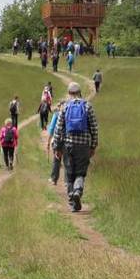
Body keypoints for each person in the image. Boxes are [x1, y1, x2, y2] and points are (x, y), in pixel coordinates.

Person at [53, 82, 98, 211]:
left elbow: (58, 128)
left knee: (69, 172)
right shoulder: (88, 106)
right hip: (83, 145)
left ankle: (72, 198)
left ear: (69, 93)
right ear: (80, 92)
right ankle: (78, 191)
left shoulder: (65, 107)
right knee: (80, 172)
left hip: (68, 145)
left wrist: (57, 147)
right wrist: (93, 145)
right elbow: (94, 128)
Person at [45, 99, 63, 185]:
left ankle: (54, 179)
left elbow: (51, 129)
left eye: (59, 106)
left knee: (56, 160)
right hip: (69, 141)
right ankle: (68, 182)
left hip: (57, 140)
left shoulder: (57, 114)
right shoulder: (70, 114)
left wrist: (48, 142)